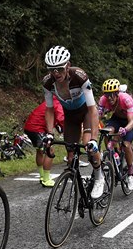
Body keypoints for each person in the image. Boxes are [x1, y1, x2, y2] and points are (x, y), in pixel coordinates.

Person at [41, 46, 104, 199]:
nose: (56, 74)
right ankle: (77, 191)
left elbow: (92, 109)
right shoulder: (48, 82)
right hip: (70, 116)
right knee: (70, 157)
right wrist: (49, 133)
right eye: (52, 70)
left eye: (60, 69)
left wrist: (94, 139)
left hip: (86, 113)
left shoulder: (79, 76)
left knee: (89, 147)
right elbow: (49, 110)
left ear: (68, 65)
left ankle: (99, 177)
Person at [98, 78, 133, 190]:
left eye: (112, 95)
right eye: (107, 95)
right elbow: (97, 116)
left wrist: (125, 130)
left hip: (129, 120)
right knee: (107, 132)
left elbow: (131, 121)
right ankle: (114, 154)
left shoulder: (126, 99)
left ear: (117, 93)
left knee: (126, 144)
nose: (109, 98)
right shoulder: (103, 100)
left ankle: (131, 172)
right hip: (116, 118)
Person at [24, 97, 64, 188]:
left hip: (30, 127)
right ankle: (46, 179)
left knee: (40, 150)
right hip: (37, 128)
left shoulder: (51, 100)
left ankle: (42, 176)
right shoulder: (57, 102)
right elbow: (61, 118)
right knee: (50, 151)